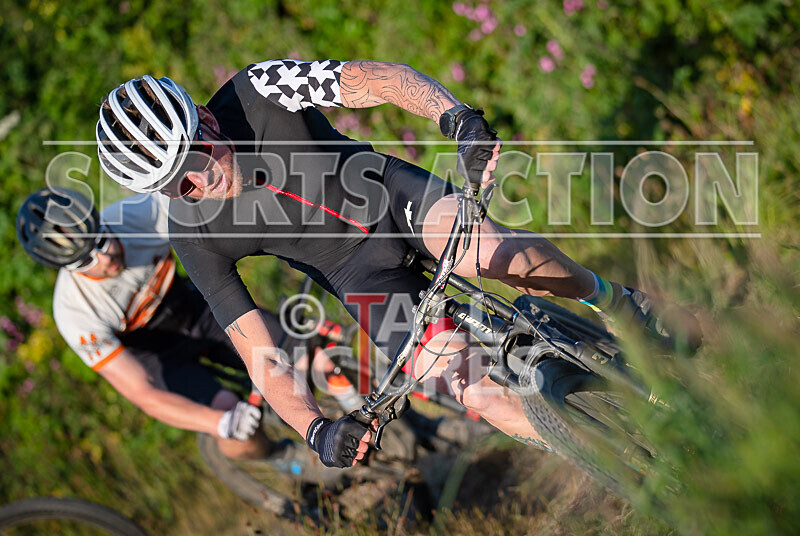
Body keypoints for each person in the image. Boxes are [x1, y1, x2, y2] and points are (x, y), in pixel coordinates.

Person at [95, 60, 701, 469]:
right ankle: (621, 463)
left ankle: (614, 300)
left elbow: (375, 80)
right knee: (473, 390)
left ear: (202, 120)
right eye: (174, 187)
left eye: (191, 164)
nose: (194, 185)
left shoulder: (259, 89)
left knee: (490, 253)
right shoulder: (190, 233)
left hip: (392, 198)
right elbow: (260, 355)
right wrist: (315, 428)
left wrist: (454, 116)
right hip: (359, 277)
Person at [15, 186, 345, 467]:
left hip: (192, 309)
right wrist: (221, 423)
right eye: (84, 261)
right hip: (157, 356)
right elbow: (141, 391)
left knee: (305, 352)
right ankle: (280, 460)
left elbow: (212, 217)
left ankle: (368, 416)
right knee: (233, 421)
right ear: (65, 267)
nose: (105, 258)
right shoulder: (73, 312)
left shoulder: (138, 215)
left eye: (101, 240)